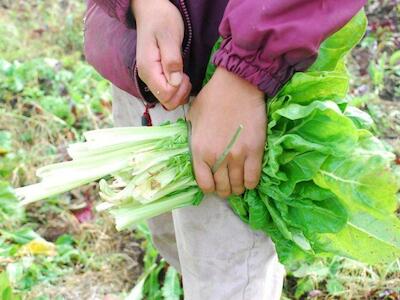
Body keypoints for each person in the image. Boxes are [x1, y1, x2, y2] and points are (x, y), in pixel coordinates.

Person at [84, 0, 365, 299]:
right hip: (136, 46)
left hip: (234, 86)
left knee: (225, 277)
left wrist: (247, 70)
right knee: (170, 237)